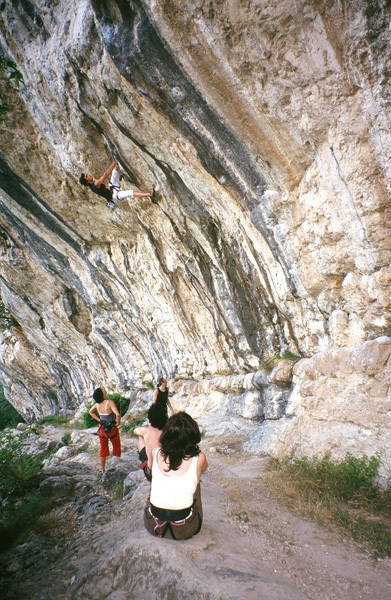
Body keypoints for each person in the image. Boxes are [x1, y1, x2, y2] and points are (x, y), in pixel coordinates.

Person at [144, 411, 208, 540]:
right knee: (196, 480)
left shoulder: (155, 452)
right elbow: (205, 468)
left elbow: (149, 470)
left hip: (153, 525)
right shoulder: (199, 457)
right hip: (184, 529)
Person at [79, 160, 151, 209]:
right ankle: (149, 194)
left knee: (115, 169)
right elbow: (105, 174)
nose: (88, 175)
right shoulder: (95, 184)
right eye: (86, 176)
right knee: (131, 192)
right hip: (115, 195)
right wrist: (114, 161)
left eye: (87, 174)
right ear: (87, 182)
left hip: (112, 187)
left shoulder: (93, 187)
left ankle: (120, 173)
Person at [88, 387, 121, 473]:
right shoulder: (109, 402)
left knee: (103, 449)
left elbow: (90, 412)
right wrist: (118, 423)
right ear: (102, 394)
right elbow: (117, 414)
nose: (104, 389)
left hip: (102, 429)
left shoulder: (97, 405)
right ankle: (115, 468)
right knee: (116, 447)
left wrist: (99, 420)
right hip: (112, 429)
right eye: (103, 390)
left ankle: (103, 470)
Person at [133, 403, 168, 481]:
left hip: (151, 474)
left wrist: (145, 428)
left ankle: (144, 461)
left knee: (140, 436)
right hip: (165, 472)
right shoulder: (168, 431)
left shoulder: (146, 431)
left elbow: (135, 430)